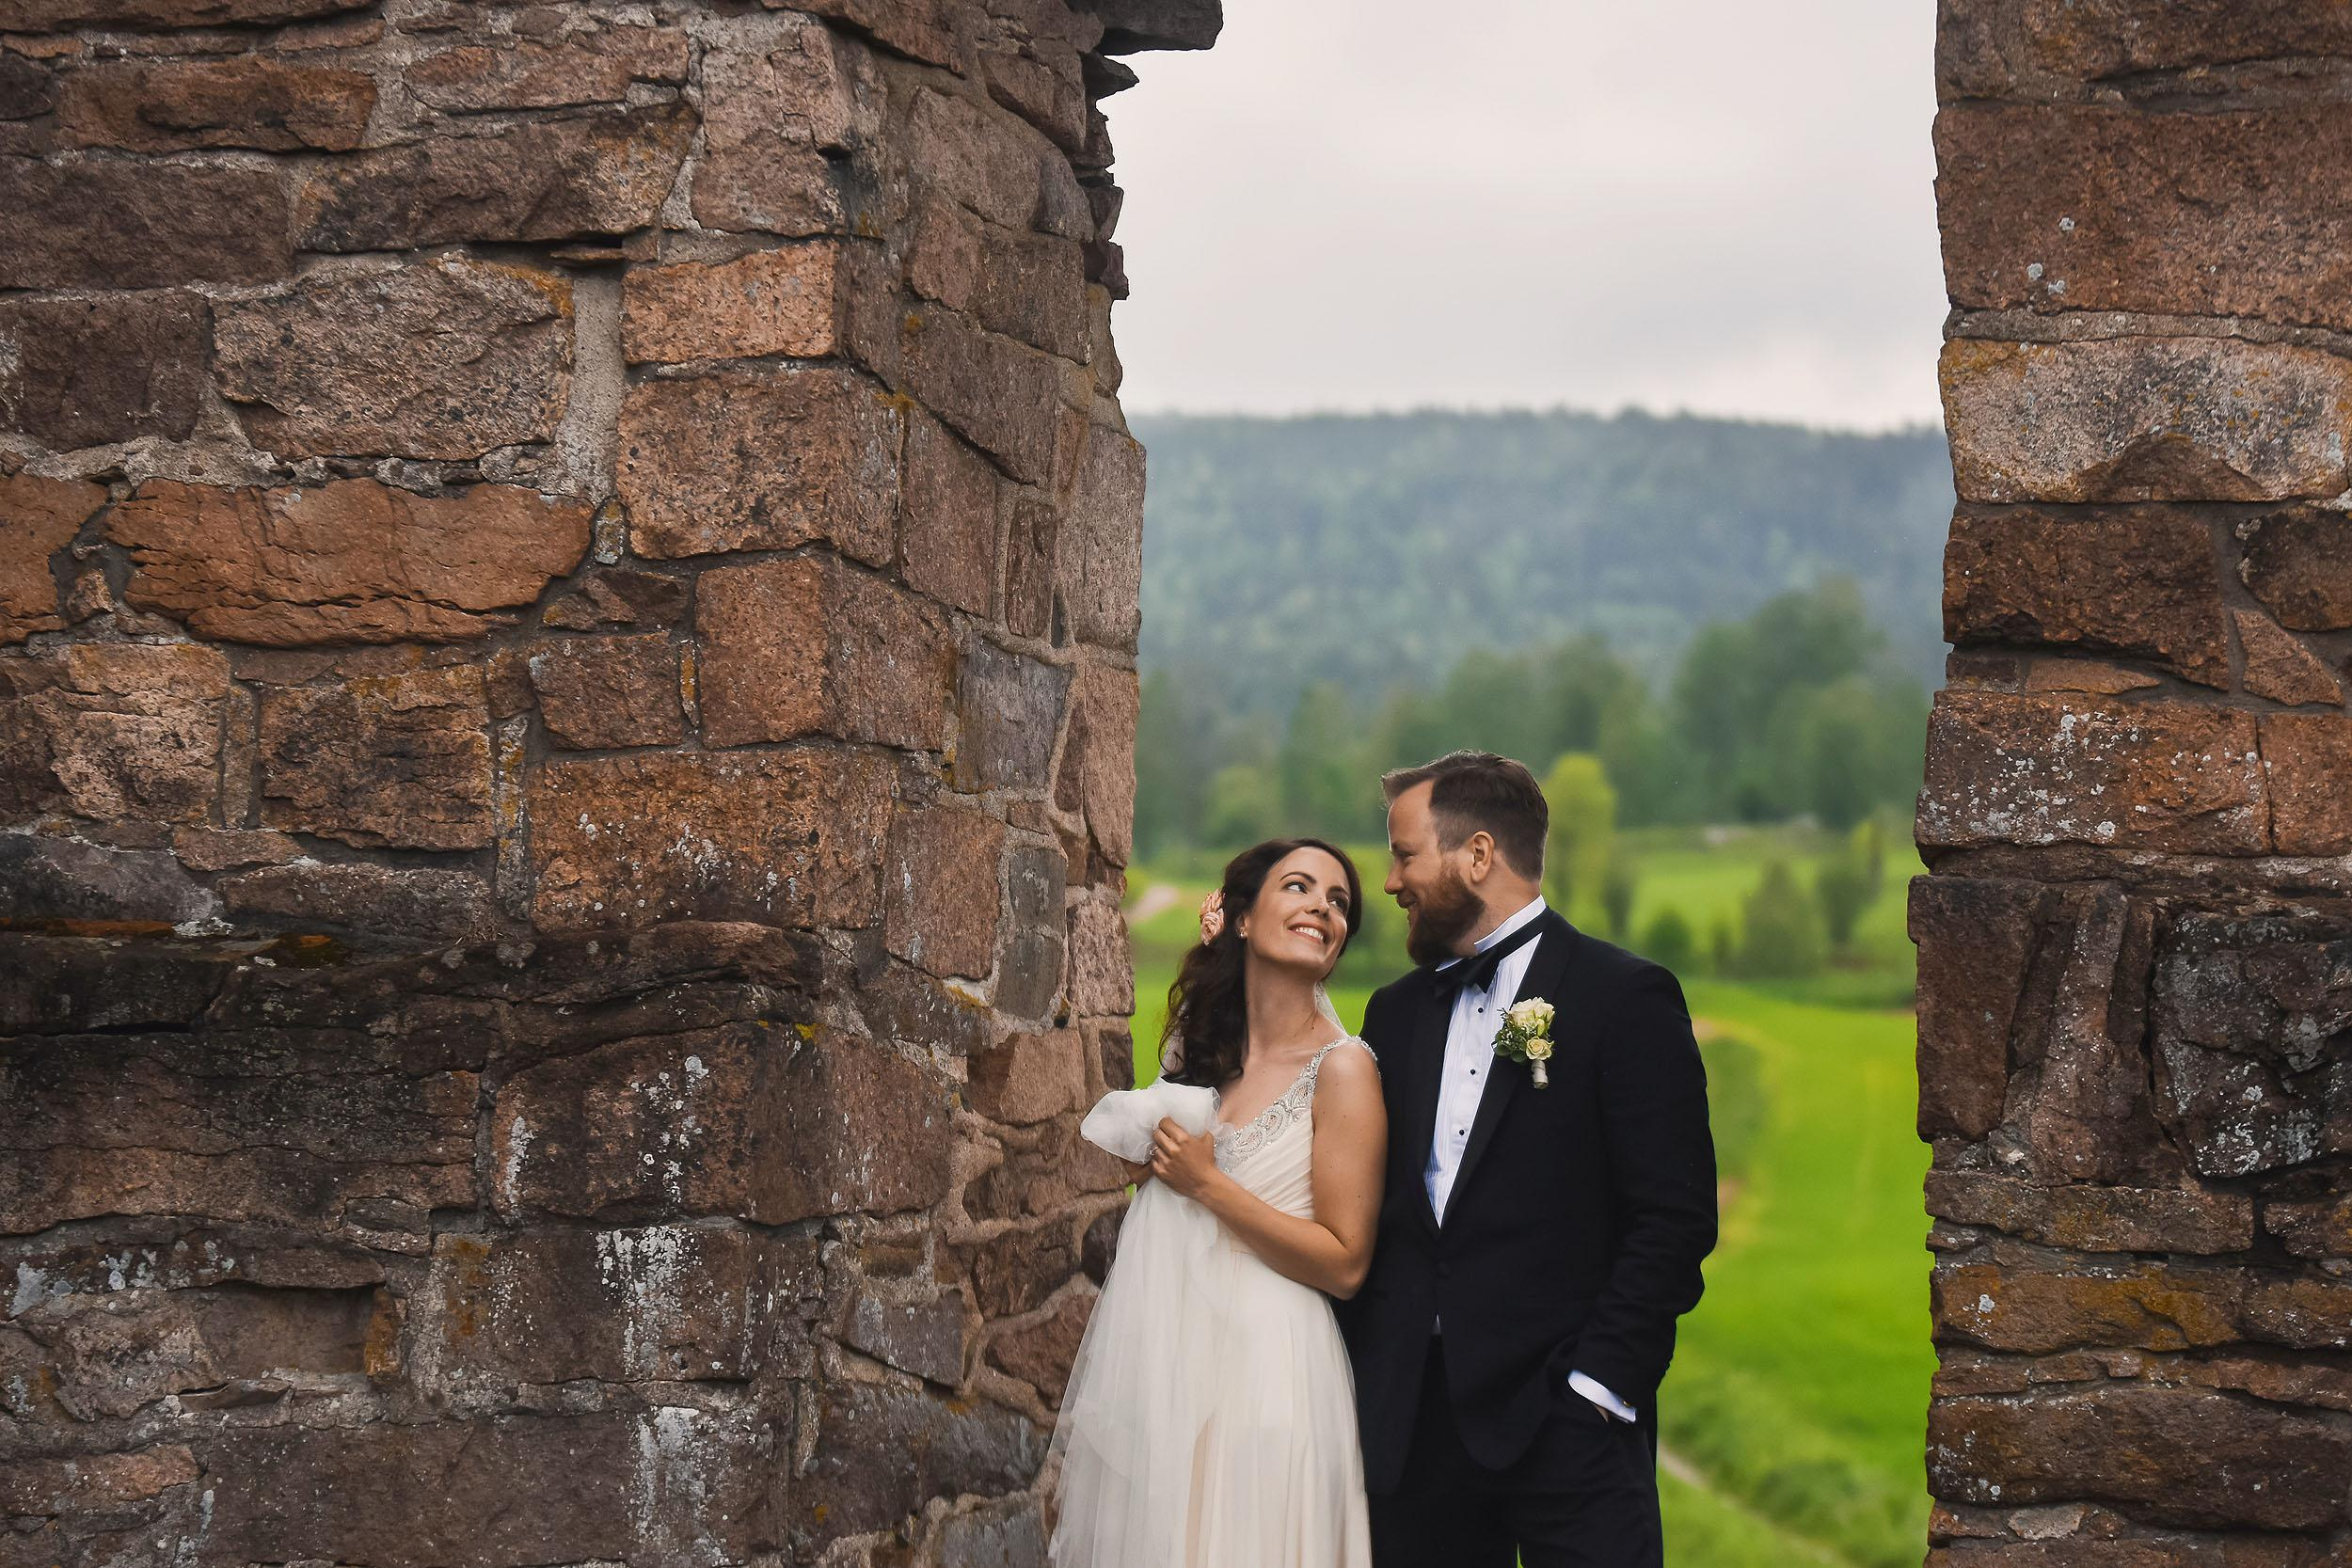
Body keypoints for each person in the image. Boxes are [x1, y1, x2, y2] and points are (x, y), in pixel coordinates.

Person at [1340, 751, 1716, 1568]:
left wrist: (1598, 1389)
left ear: (1478, 854)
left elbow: (1674, 1217)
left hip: (1568, 1425)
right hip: (1414, 1435)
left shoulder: (1625, 997)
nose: (1392, 881)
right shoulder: (1393, 1014)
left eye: (1405, 854)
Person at [1049, 838, 1388, 1568]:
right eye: (1299, 887)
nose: (1323, 909)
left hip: (1272, 1372)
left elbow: (1347, 1262)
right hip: (1176, 1359)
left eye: (1338, 904)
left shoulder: (1345, 1068)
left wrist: (1208, 1185)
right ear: (1241, 917)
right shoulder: (1210, 1059)